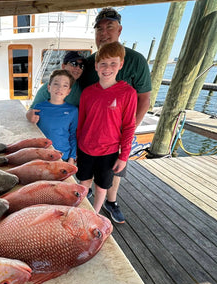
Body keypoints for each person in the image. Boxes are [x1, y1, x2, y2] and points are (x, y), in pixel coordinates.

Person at [79, 7, 151, 223]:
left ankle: (111, 203)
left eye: (109, 27)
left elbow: (144, 99)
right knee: (88, 179)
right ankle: (86, 203)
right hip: (90, 140)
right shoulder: (90, 63)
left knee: (112, 178)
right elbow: (81, 100)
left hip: (116, 137)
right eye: (99, 29)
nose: (104, 33)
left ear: (119, 30)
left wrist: (124, 142)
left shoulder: (136, 60)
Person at [76, 41, 137, 218]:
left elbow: (129, 126)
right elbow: (81, 123)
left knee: (102, 187)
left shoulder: (128, 93)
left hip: (109, 152)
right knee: (83, 183)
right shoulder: (87, 92)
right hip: (85, 149)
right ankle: (80, 214)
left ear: (121, 65)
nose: (107, 68)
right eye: (103, 63)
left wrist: (124, 156)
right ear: (96, 66)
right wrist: (77, 149)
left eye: (113, 63)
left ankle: (94, 215)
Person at [32, 69, 78, 164]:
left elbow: (73, 135)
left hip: (63, 156)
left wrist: (72, 157)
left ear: (68, 91)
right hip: (41, 155)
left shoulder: (73, 111)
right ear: (49, 87)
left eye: (65, 85)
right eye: (56, 84)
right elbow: (32, 132)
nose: (60, 88)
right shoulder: (38, 108)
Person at [26, 51, 85, 123]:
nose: (78, 68)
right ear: (63, 66)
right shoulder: (48, 89)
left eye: (81, 66)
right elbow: (31, 111)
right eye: (74, 64)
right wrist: (29, 115)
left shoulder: (81, 88)